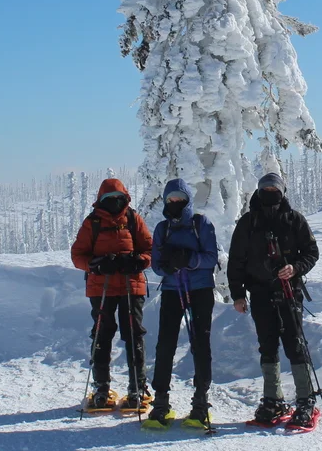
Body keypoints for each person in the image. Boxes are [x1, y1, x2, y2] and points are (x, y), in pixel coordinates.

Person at [227, 172, 321, 429]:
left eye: (274, 190)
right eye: (265, 190)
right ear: (258, 192)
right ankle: (273, 400)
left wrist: (295, 268)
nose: (270, 194)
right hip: (259, 292)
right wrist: (237, 294)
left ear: (283, 191)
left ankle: (305, 400)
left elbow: (312, 252)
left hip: (289, 291)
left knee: (295, 343)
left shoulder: (294, 220)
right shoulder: (248, 222)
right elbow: (236, 261)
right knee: (267, 345)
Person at [70, 178, 153, 413]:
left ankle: (136, 387)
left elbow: (149, 249)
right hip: (102, 288)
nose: (115, 203)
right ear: (101, 201)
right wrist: (95, 265)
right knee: (102, 335)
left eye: (119, 199)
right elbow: (78, 255)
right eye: (110, 199)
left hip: (130, 285)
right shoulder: (92, 223)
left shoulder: (133, 219)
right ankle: (102, 388)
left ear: (125, 198)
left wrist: (138, 260)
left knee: (133, 334)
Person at [145, 178, 220, 429]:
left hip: (200, 290)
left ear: (187, 200)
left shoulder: (201, 224)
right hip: (171, 290)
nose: (175, 202)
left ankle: (200, 402)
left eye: (179, 198)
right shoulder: (161, 228)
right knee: (165, 344)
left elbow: (211, 258)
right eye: (170, 199)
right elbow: (155, 265)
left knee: (200, 343)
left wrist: (187, 259)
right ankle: (161, 402)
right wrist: (166, 265)